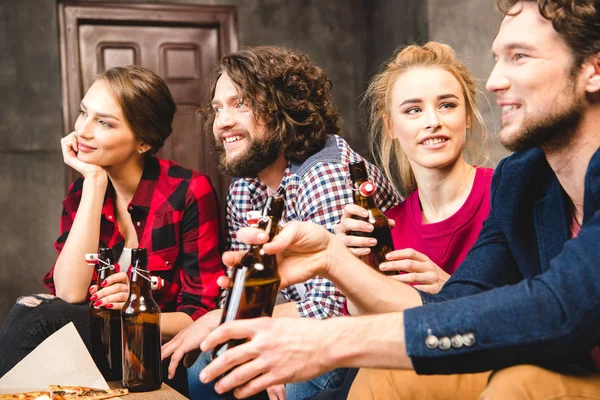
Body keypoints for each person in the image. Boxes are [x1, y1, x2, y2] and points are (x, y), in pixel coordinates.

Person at [194, 1, 600, 398]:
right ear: (391, 126)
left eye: (520, 57)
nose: (494, 79)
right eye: (497, 59)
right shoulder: (520, 180)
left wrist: (327, 341)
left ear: (593, 68)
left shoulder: (493, 184)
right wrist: (331, 257)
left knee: (521, 384)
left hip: (560, 365)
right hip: (547, 358)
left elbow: (560, 307)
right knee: (380, 379)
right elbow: (456, 302)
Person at [160, 46, 400, 399]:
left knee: (297, 382)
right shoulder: (246, 186)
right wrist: (243, 328)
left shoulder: (325, 172)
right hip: (310, 320)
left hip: (372, 329)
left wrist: (231, 321)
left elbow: (331, 309)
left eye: (241, 103)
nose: (222, 122)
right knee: (206, 367)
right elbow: (251, 286)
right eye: (217, 108)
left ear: (283, 108)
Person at [0, 66, 224, 390]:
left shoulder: (188, 191)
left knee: (37, 316)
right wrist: (93, 182)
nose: (83, 131)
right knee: (34, 310)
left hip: (157, 351)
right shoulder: (81, 193)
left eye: (104, 122)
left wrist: (134, 310)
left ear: (143, 141)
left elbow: (200, 312)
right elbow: (69, 293)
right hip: (98, 345)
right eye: (83, 113)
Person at [328, 41, 494, 398]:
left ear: (466, 117)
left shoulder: (506, 195)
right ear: (391, 126)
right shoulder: (388, 226)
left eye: (447, 105)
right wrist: (350, 269)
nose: (433, 121)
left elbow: (543, 305)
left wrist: (451, 292)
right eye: (413, 110)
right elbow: (367, 325)